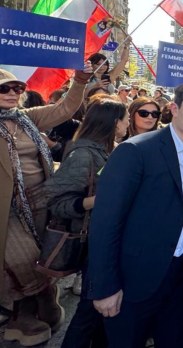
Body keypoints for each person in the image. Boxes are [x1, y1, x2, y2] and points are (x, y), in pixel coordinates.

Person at [0, 44, 92, 346]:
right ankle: (27, 311)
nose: (13, 92)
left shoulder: (26, 117)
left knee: (46, 255)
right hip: (1, 207)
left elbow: (65, 109)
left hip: (41, 198)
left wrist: (79, 81)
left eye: (18, 87)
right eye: (4, 87)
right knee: (24, 259)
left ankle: (37, 305)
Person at [87, 81, 183, 347]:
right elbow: (105, 223)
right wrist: (104, 287)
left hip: (178, 276)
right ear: (174, 109)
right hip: (133, 278)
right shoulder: (135, 151)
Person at [45, 98, 128, 348]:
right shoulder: (82, 154)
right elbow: (55, 201)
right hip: (92, 242)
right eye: (125, 120)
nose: (127, 125)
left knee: (104, 314)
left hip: (110, 238)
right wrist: (97, 201)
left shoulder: (112, 148)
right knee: (89, 312)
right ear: (115, 123)